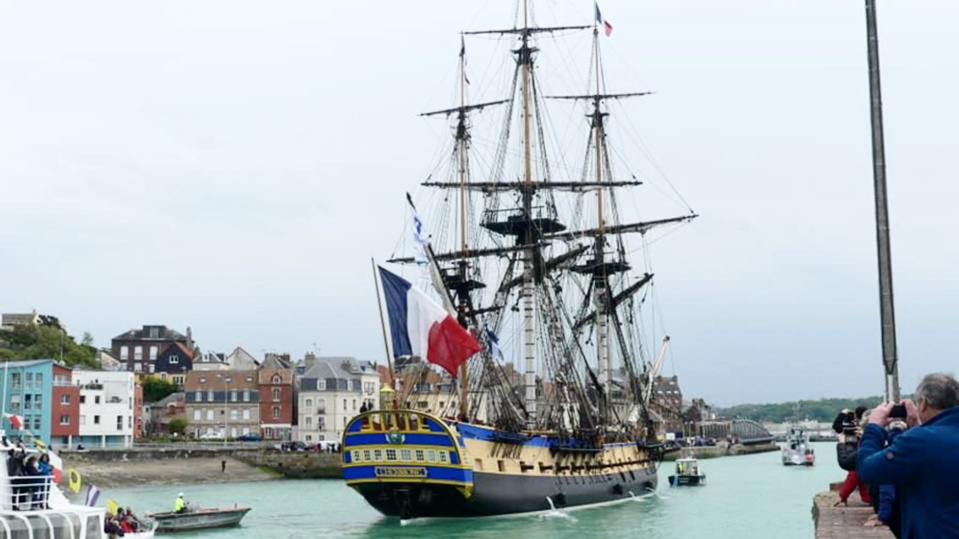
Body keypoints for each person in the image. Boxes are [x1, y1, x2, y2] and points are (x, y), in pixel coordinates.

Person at [857, 373, 959, 538]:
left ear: (924, 403)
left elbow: (868, 469)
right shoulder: (922, 440)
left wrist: (874, 428)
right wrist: (917, 427)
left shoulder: (920, 441)